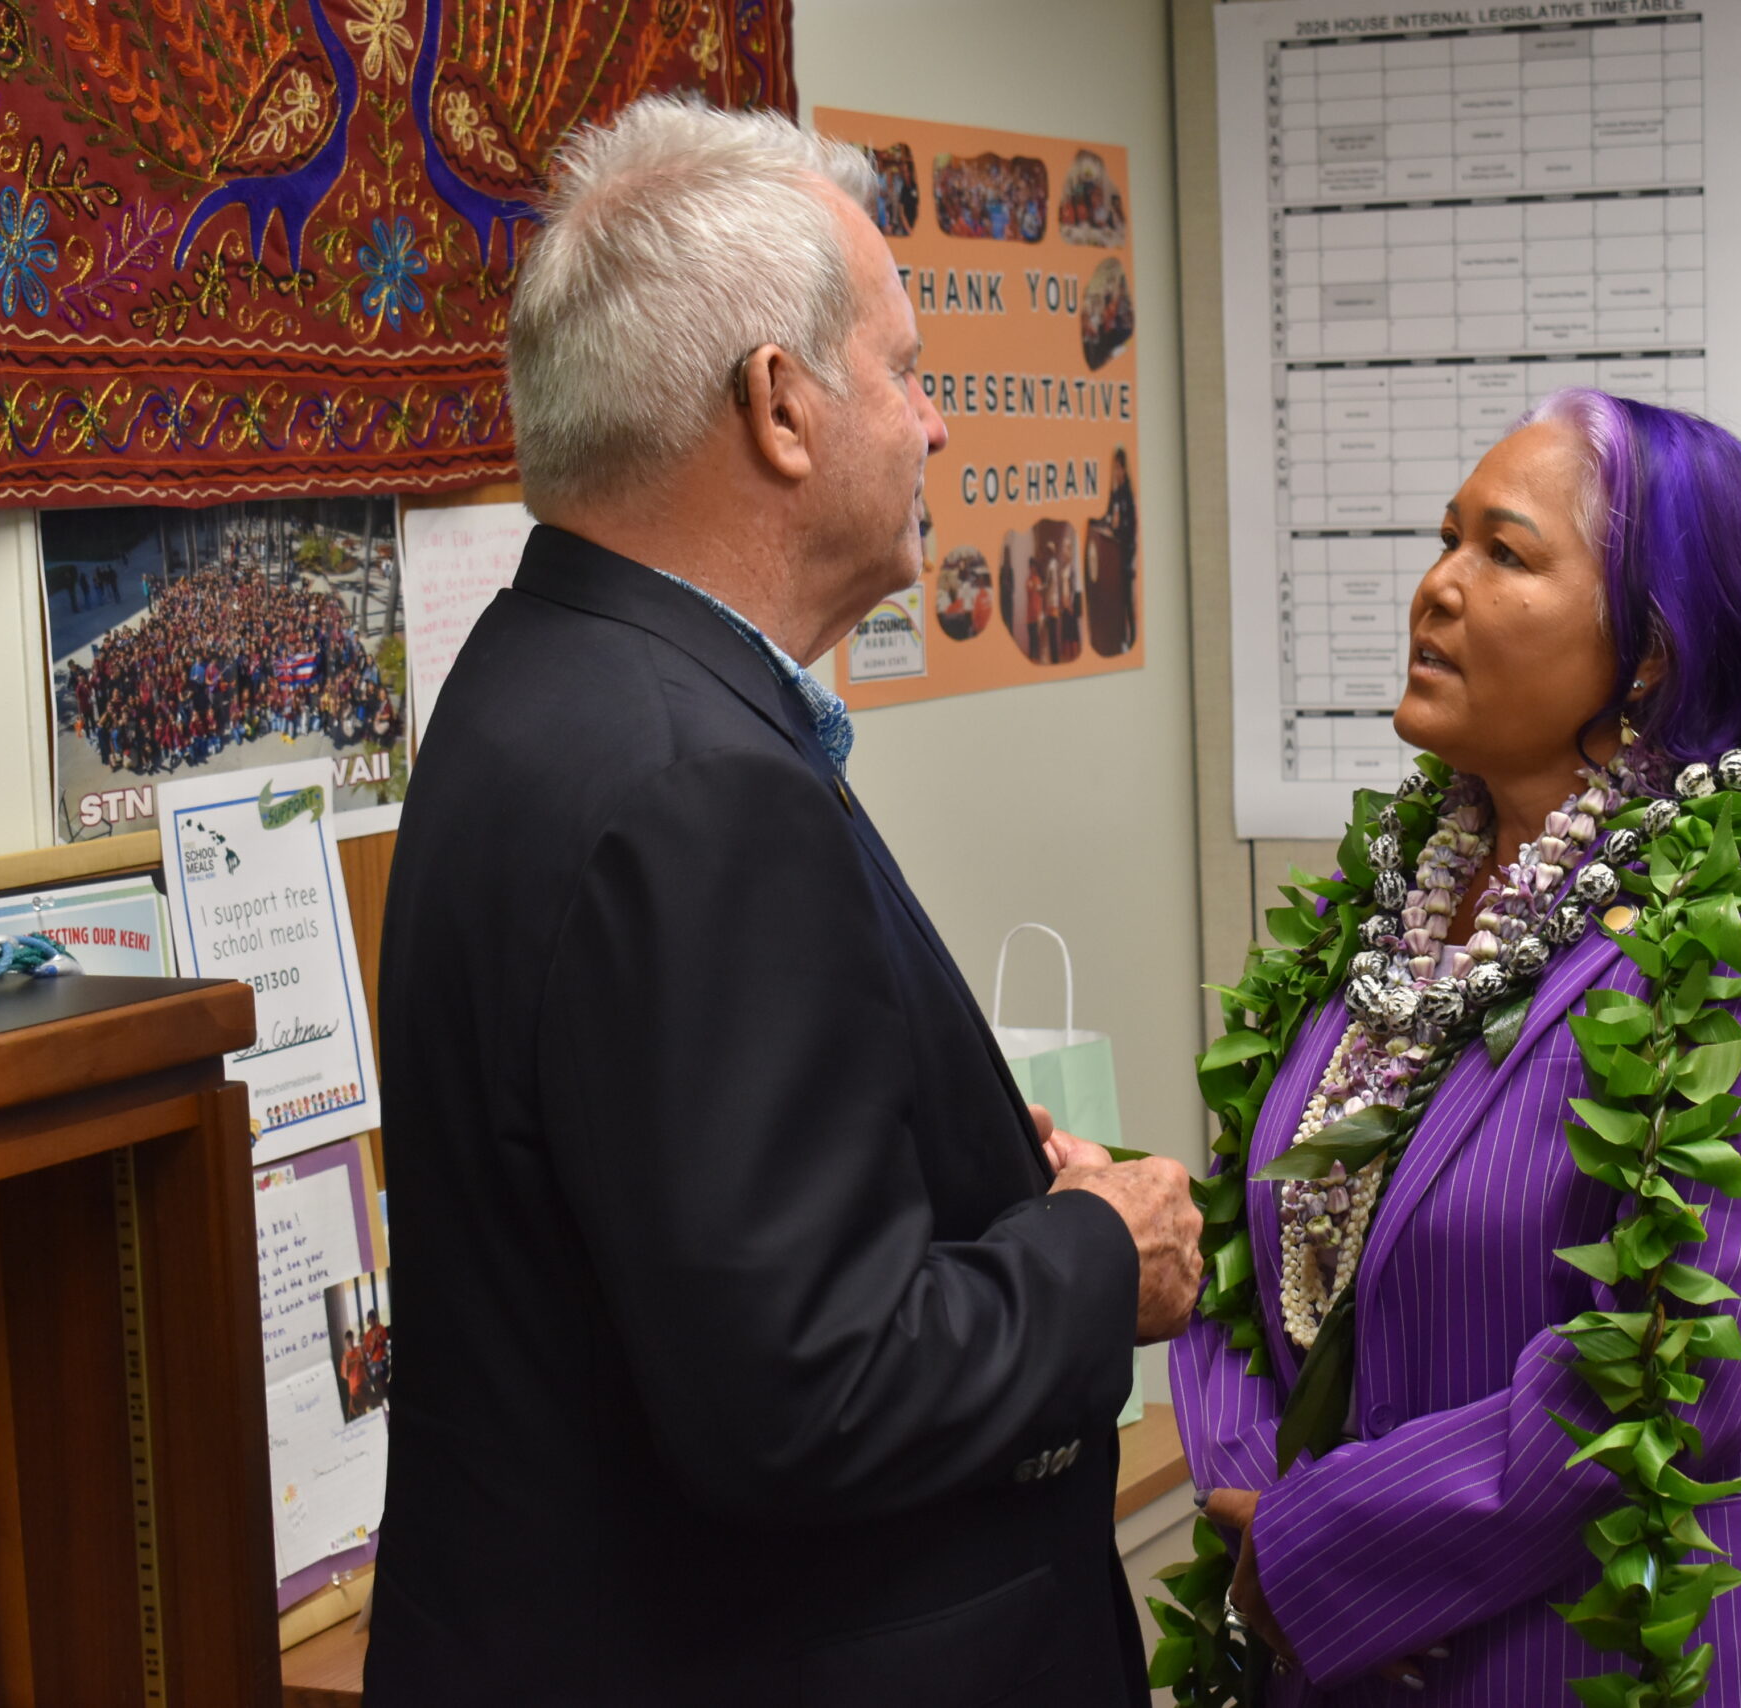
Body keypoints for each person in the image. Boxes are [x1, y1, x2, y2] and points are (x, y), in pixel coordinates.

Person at [368, 97, 1201, 1707]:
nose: (937, 425)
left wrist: (973, 1195)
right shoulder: (698, 787)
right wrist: (1101, 1251)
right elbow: (810, 1391)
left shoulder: (543, 678)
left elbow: (695, 1240)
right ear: (782, 409)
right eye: (903, 368)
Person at [1169, 390, 1741, 1705]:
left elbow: (1674, 1371)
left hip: (1579, 1655)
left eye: (1503, 553)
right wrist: (1250, 1511)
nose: (1437, 587)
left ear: (1651, 651)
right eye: (1447, 541)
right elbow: (1246, 1238)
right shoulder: (1373, 906)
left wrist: (1335, 1551)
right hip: (1315, 1652)